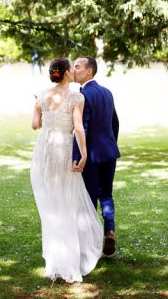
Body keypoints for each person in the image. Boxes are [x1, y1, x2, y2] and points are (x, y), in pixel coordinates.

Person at [30, 57, 103, 282]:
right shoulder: (76, 97)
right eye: (70, 68)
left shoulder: (42, 95)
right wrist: (83, 153)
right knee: (66, 202)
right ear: (64, 73)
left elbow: (35, 125)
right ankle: (68, 260)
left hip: (45, 148)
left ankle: (54, 260)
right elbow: (79, 128)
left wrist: (46, 117)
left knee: (52, 203)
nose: (74, 70)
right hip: (62, 148)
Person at [72, 57, 120, 256]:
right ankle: (109, 231)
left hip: (91, 156)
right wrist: (111, 145)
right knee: (106, 195)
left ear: (89, 72)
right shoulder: (107, 92)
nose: (73, 70)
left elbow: (81, 128)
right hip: (109, 153)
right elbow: (115, 123)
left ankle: (90, 245)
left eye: (77, 66)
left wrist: (77, 155)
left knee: (89, 198)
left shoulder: (83, 96)